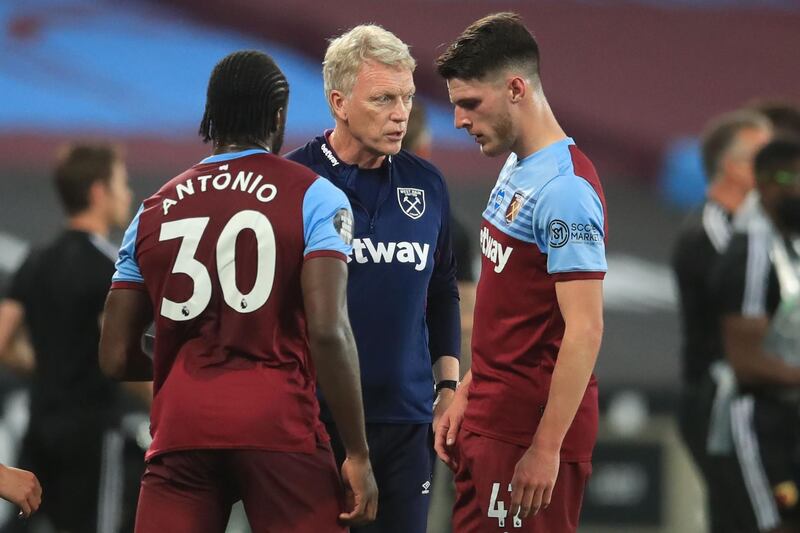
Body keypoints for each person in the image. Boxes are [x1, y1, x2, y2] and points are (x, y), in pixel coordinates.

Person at [99, 50, 377, 533]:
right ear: (278, 116)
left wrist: (187, 367)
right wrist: (356, 451)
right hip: (279, 425)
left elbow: (115, 354)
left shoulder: (152, 209)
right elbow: (330, 331)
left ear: (211, 115)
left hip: (181, 431)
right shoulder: (316, 196)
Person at [434, 12, 606, 532]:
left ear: (515, 89)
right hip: (492, 415)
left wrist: (546, 447)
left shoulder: (566, 191)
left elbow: (586, 327)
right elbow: (508, 296)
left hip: (526, 435)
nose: (460, 121)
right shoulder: (515, 166)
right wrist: (472, 383)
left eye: (470, 104)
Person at [286, 25, 461, 533]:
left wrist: (447, 385)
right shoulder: (294, 182)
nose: (401, 112)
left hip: (406, 425)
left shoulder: (427, 184)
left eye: (406, 97)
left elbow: (441, 288)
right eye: (383, 98)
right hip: (314, 423)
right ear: (339, 102)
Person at [0, 143, 146, 533]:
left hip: (41, 425)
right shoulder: (109, 267)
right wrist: (168, 400)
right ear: (98, 192)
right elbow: (119, 353)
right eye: (121, 183)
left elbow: (2, 339)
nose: (127, 193)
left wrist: (49, 366)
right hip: (92, 434)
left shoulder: (36, 260)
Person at [672, 109, 772, 533]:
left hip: (747, 393)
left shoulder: (751, 227)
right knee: (745, 516)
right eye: (766, 158)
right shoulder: (709, 230)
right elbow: (751, 301)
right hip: (718, 396)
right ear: (734, 166)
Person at [714, 137, 800, 533]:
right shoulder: (751, 251)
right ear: (766, 183)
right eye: (792, 178)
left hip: (792, 411)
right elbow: (746, 362)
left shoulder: (790, 244)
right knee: (776, 524)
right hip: (760, 418)